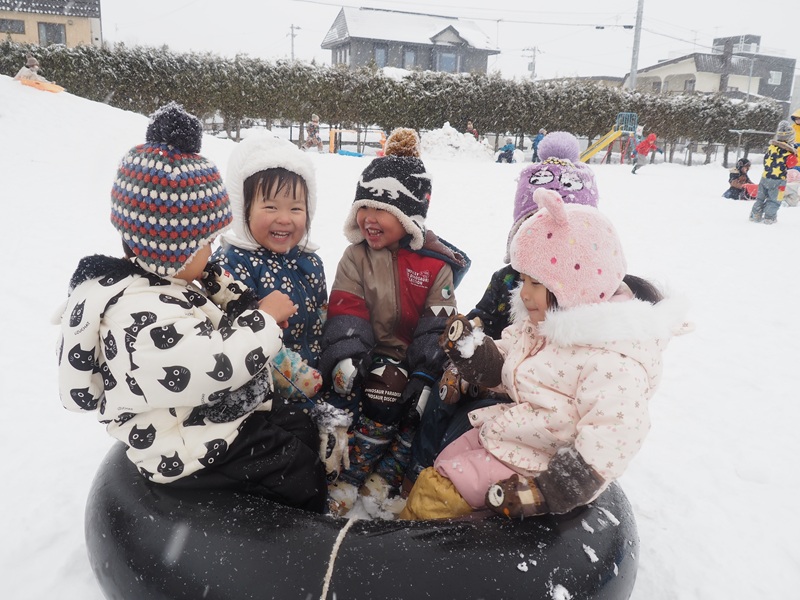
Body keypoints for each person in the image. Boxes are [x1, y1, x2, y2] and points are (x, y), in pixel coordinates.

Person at [56, 102, 329, 513]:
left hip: (201, 417)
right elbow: (217, 365)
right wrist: (264, 319)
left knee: (298, 426)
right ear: (173, 249)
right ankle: (295, 531)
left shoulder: (162, 280)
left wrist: (225, 290)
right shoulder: (139, 317)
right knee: (297, 469)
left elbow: (210, 315)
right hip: (184, 447)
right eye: (206, 242)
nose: (213, 250)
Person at [399, 187, 691, 520]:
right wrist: (473, 353)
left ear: (574, 283)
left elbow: (616, 431)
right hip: (511, 438)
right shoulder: (543, 326)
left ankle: (412, 542)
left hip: (539, 467)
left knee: (439, 493)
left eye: (534, 283)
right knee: (441, 467)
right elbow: (510, 361)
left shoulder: (612, 358)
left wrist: (554, 489)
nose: (523, 294)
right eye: (523, 280)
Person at [405, 132, 601, 483]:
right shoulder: (507, 279)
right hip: (493, 366)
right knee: (444, 391)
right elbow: (484, 316)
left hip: (547, 397)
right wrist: (467, 338)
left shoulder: (586, 296)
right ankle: (420, 466)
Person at [321, 143, 470, 517]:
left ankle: (387, 474)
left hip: (420, 359)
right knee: (384, 390)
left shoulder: (435, 267)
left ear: (408, 217)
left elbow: (438, 323)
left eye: (382, 210)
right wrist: (350, 356)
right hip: (370, 353)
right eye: (364, 208)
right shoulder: (356, 257)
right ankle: (351, 473)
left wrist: (424, 371)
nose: (369, 219)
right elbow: (347, 308)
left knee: (421, 407)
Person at [211, 133, 351, 481]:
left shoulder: (309, 262)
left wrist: (333, 361)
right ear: (243, 208)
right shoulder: (231, 265)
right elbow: (238, 339)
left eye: (296, 208)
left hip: (314, 378)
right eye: (270, 207)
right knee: (295, 446)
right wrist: (298, 378)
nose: (285, 219)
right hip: (264, 393)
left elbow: (321, 319)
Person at [749, 119, 799, 224]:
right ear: (790, 138)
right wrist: (794, 153)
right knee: (775, 200)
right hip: (779, 180)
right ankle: (769, 218)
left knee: (760, 198)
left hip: (765, 177)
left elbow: (765, 160)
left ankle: (755, 215)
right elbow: (792, 164)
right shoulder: (789, 153)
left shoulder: (771, 147)